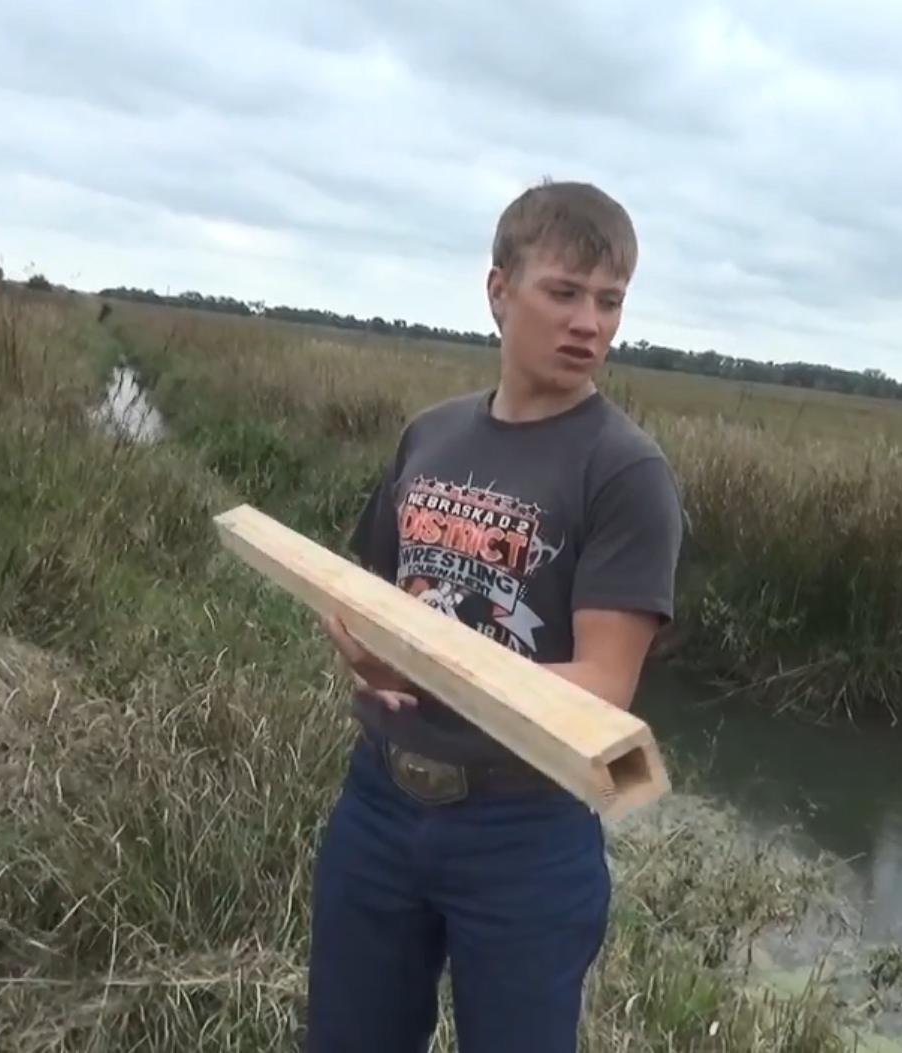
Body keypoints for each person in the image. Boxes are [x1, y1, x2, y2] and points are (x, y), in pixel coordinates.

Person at [305, 179, 686, 1053]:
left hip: (523, 829)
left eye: (609, 301)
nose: (588, 321)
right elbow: (375, 596)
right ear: (498, 291)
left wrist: (425, 670)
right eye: (563, 292)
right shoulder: (430, 436)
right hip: (380, 802)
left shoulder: (625, 472)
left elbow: (601, 692)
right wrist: (358, 646)